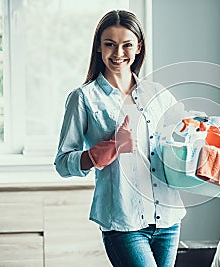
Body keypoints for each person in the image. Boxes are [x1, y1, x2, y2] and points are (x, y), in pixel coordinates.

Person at [54, 10, 186, 267]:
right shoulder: (84, 98)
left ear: (138, 47)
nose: (118, 53)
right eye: (109, 44)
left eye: (127, 44)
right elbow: (62, 162)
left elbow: (186, 137)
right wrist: (101, 151)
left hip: (167, 218)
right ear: (99, 48)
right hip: (124, 223)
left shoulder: (158, 95)